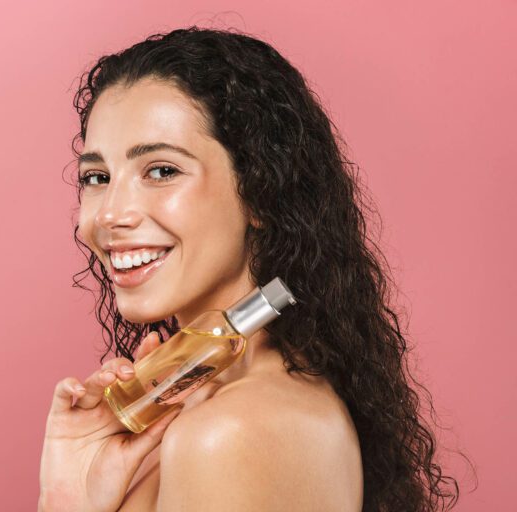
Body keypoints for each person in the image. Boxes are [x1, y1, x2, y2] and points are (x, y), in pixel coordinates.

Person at [38, 26, 460, 511]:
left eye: (161, 170)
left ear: (259, 191)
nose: (110, 214)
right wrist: (67, 500)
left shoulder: (227, 433)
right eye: (97, 177)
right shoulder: (204, 408)